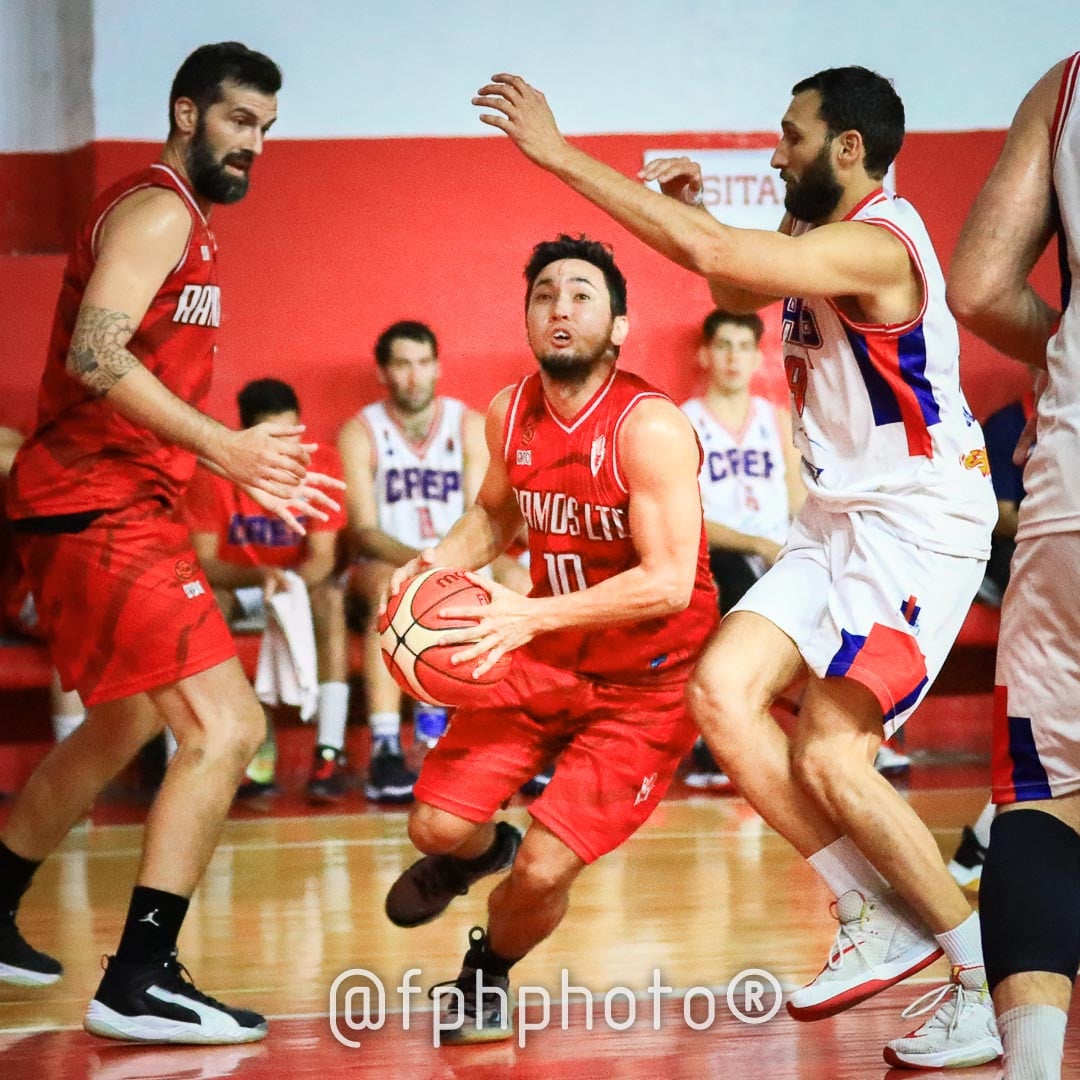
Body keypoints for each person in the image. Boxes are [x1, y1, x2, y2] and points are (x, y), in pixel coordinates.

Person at [473, 66, 1002, 1067]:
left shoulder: (878, 240)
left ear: (848, 148)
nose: (775, 151)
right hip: (838, 520)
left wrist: (555, 153)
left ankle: (975, 977)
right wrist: (699, 213)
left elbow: (714, 259)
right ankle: (870, 914)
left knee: (833, 755)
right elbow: (730, 279)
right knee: (720, 694)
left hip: (918, 526)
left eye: (791, 137)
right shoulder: (814, 239)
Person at [0, 43, 341, 1044]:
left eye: (267, 129)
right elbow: (95, 353)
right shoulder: (154, 209)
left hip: (108, 506)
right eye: (239, 121)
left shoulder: (180, 220)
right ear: (186, 113)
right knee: (226, 730)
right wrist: (223, 447)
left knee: (125, 725)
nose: (255, 145)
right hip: (99, 506)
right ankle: (141, 977)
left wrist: (217, 453)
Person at [382, 235, 719, 1043]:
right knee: (432, 827)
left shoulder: (652, 427)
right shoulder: (509, 411)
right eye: (543, 296)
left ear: (619, 326)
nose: (559, 308)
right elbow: (495, 516)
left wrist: (526, 614)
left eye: (580, 295)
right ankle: (474, 853)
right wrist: (424, 569)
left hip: (650, 682)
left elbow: (667, 582)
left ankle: (486, 971)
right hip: (547, 656)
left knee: (541, 871)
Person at [948, 51, 1080, 1080]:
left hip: (1072, 494)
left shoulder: (1065, 86)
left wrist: (1065, 345)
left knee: (1039, 800)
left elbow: (981, 287)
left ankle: (1032, 1069)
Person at [338, 321, 488, 802]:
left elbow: (480, 514)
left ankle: (519, 739)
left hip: (461, 558)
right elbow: (364, 530)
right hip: (390, 561)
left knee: (526, 583)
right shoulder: (361, 432)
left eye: (423, 362)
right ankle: (385, 747)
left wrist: (449, 565)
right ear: (384, 371)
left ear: (437, 366)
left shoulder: (468, 425)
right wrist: (426, 564)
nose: (414, 375)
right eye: (402, 364)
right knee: (393, 592)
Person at [184, 378, 350, 803]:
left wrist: (289, 584)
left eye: (293, 435)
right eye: (275, 439)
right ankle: (245, 744)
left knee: (330, 599)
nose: (288, 449)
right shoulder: (214, 474)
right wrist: (259, 580)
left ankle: (329, 751)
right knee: (204, 606)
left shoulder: (322, 461)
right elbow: (203, 561)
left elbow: (323, 558)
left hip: (294, 582)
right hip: (238, 583)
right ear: (248, 437)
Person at [680, 309, 804, 789]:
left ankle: (853, 739)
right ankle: (718, 737)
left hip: (780, 553)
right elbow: (686, 521)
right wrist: (758, 543)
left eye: (744, 347)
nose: (733, 357)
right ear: (705, 354)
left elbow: (800, 500)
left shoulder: (777, 421)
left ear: (758, 357)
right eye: (724, 345)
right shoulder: (682, 423)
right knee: (730, 577)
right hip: (720, 553)